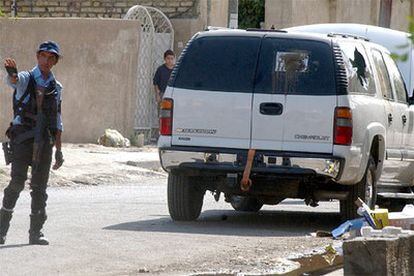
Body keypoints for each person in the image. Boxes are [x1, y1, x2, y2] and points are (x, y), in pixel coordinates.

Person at [0, 41, 64, 245]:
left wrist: (59, 151)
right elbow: (14, 81)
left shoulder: (56, 87)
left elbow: (58, 120)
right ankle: (1, 231)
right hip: (22, 139)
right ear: (38, 57)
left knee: (39, 188)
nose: (46, 60)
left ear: (55, 61)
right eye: (43, 56)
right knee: (17, 183)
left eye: (50, 57)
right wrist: (12, 74)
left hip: (44, 141)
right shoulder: (26, 78)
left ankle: (35, 233)